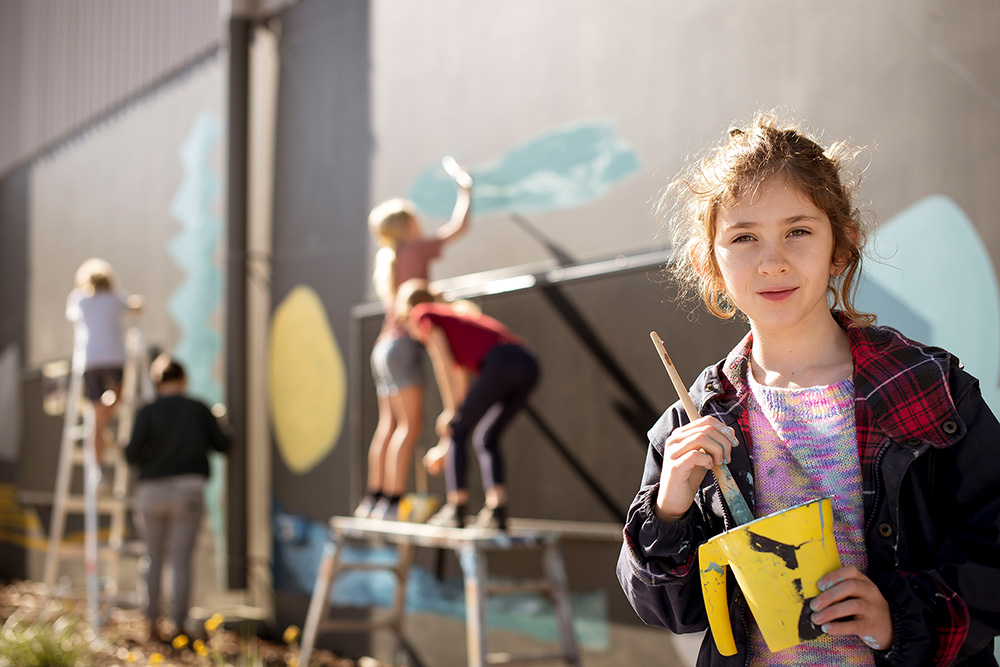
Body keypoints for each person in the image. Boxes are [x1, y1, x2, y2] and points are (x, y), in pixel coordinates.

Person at [617, 111, 1000, 665]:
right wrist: (670, 508)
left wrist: (901, 616)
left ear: (839, 246)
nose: (773, 261)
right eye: (744, 237)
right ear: (711, 262)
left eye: (798, 231)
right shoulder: (694, 418)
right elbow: (670, 612)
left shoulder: (928, 386)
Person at [355, 162, 474, 521]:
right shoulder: (414, 249)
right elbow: (458, 227)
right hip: (404, 345)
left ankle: (375, 498)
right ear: (406, 225)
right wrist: (466, 189)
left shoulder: (389, 260)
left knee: (387, 425)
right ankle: (392, 501)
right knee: (409, 426)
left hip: (383, 347)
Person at [396, 279, 539, 530]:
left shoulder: (424, 313)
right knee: (485, 435)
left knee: (460, 430)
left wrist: (452, 414)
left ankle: (457, 509)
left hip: (501, 362)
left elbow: (443, 364)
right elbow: (460, 375)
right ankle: (497, 510)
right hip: (527, 364)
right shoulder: (452, 319)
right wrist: (453, 420)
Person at [125, 354, 231, 642]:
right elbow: (224, 444)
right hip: (188, 492)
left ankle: (150, 622)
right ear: (183, 380)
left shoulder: (148, 411)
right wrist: (221, 420)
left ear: (157, 383)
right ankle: (179, 625)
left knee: (152, 558)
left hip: (151, 492)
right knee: (181, 560)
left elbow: (131, 454)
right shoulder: (198, 408)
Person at [65, 258, 143, 465]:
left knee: (97, 417)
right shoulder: (115, 298)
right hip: (115, 359)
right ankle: (105, 437)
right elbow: (134, 307)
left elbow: (72, 316)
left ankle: (97, 465)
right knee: (113, 401)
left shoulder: (79, 299)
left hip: (90, 361)